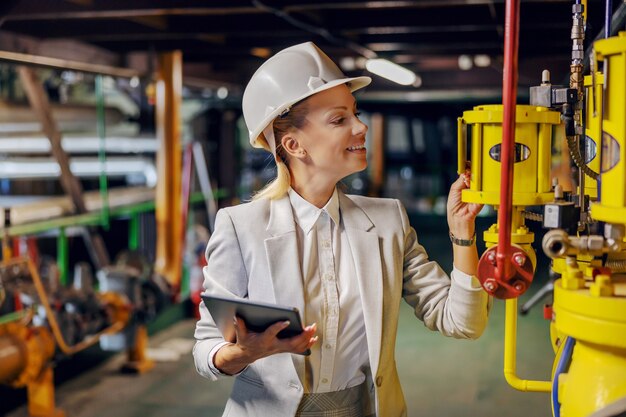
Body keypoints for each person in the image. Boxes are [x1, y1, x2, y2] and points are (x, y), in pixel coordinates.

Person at [193, 42, 491, 417]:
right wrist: (239, 354)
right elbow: (205, 347)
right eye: (339, 119)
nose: (361, 126)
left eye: (355, 113)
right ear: (294, 144)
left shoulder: (387, 222)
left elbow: (464, 323)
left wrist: (462, 234)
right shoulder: (241, 227)